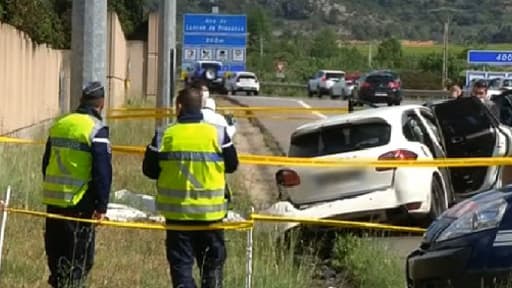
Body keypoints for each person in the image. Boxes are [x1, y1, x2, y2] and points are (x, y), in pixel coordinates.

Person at [142, 87, 239, 288]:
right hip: (211, 217)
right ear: (201, 108)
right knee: (212, 267)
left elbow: (149, 170)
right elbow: (232, 165)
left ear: (178, 106)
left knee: (182, 267)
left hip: (178, 217)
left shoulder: (164, 135)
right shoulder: (218, 134)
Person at [41, 81, 112, 288]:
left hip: (54, 203)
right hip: (79, 204)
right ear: (102, 104)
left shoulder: (60, 124)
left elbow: (46, 163)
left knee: (57, 260)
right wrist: (101, 206)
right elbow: (102, 171)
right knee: (79, 262)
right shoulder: (96, 130)